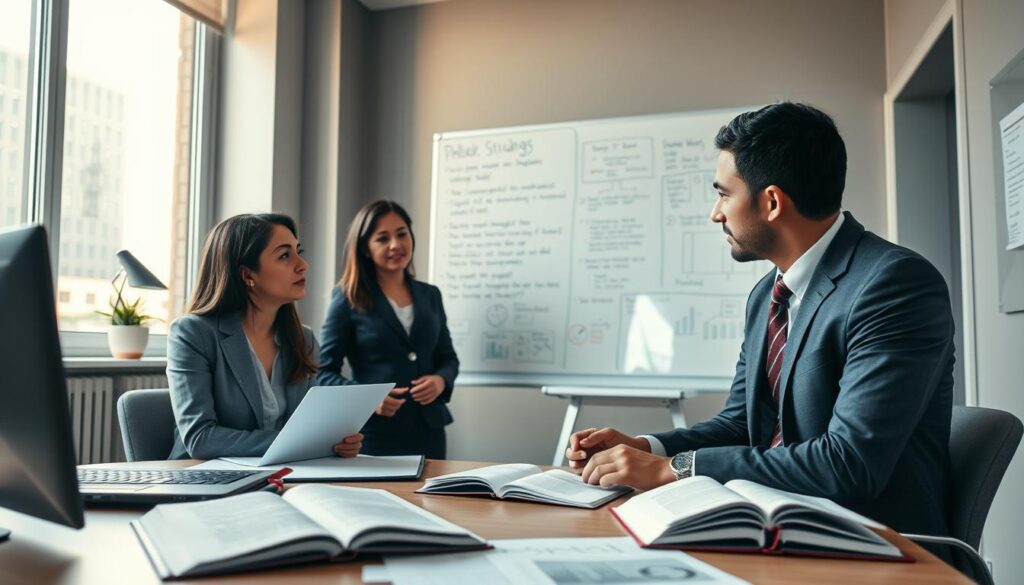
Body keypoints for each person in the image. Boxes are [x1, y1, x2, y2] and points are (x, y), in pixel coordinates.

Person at [566, 102, 955, 538]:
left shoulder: (894, 284)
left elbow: (850, 463)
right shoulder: (767, 294)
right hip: (776, 525)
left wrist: (672, 469)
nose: (716, 214)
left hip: (872, 541)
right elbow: (740, 425)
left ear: (771, 202)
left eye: (723, 193)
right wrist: (646, 448)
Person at [166, 213, 363, 460]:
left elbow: (313, 426)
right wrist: (306, 441)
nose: (302, 264)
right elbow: (201, 438)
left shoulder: (304, 339)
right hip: (205, 480)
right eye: (284, 256)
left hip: (285, 475)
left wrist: (338, 441)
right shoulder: (192, 333)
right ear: (248, 275)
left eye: (298, 251)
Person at [318, 200, 459, 459]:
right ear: (365, 249)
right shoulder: (347, 298)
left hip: (430, 431)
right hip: (375, 435)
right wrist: (368, 398)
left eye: (402, 234)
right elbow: (322, 372)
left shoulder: (431, 295)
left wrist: (440, 381)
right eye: (383, 238)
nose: (396, 244)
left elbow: (448, 358)